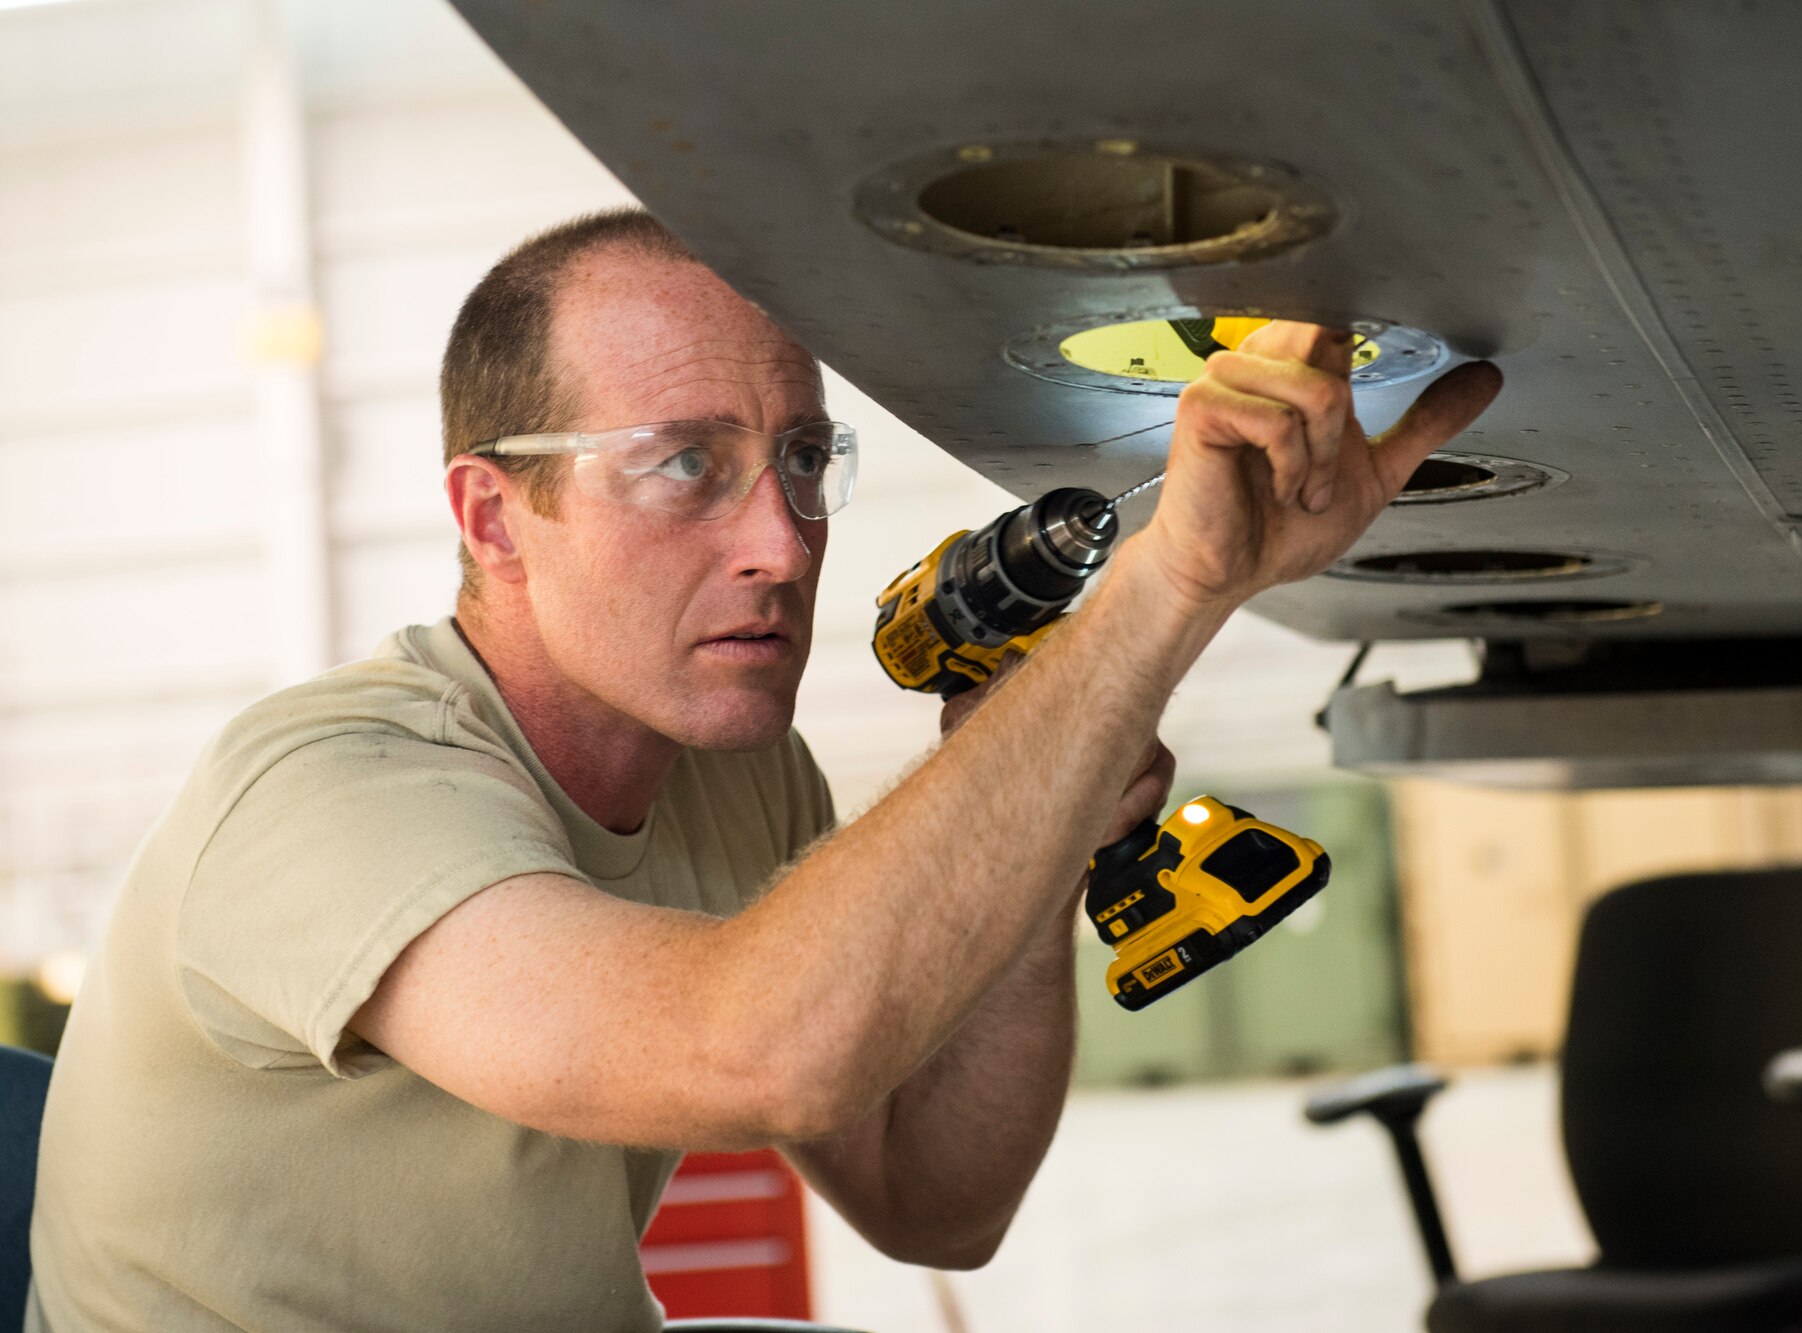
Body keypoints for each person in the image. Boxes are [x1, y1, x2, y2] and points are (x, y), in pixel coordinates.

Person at [26, 208, 1499, 1331]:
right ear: (492, 516)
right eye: (685, 464)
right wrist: (1165, 589)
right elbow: (756, 1044)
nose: (782, 543)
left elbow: (940, 1197)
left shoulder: (736, 773)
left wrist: (1040, 822)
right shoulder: (322, 792)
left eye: (803, 457)